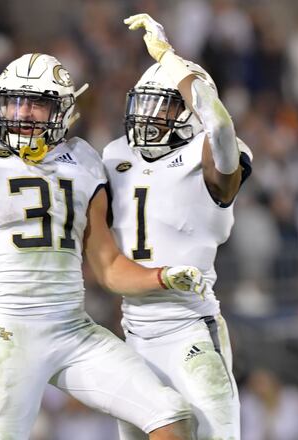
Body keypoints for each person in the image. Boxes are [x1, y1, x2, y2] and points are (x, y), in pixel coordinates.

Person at [0, 11, 205, 440]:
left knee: (172, 416)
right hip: (11, 332)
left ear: (63, 111)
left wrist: (162, 277)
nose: (22, 113)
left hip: (73, 330)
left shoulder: (83, 161)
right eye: (14, 101)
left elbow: (108, 266)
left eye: (35, 103)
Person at [103, 13, 254, 439]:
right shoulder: (115, 154)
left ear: (189, 111)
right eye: (146, 104)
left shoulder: (210, 154)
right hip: (133, 331)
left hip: (190, 328)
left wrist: (171, 59)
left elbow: (219, 124)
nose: (150, 117)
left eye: (165, 106)